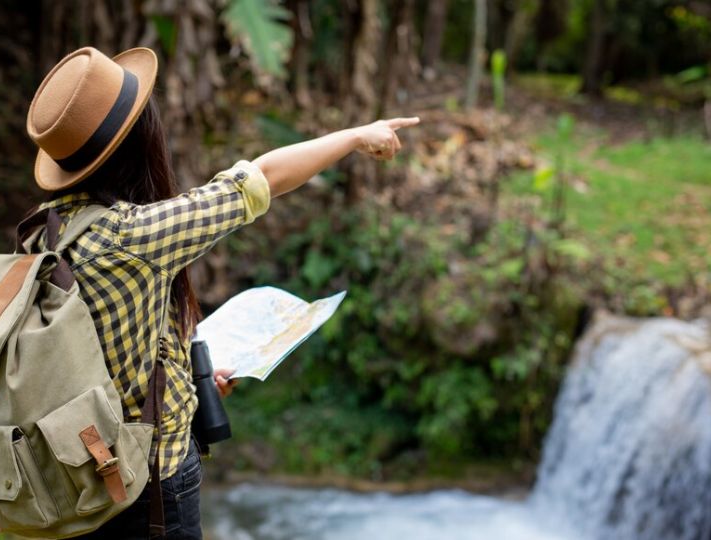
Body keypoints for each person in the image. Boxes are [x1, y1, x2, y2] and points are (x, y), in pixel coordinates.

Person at [22, 46, 418, 539]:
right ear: (137, 142)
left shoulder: (44, 234)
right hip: (150, 487)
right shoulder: (133, 236)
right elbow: (259, 181)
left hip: (80, 481)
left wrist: (188, 382)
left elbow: (99, 354)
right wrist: (358, 135)